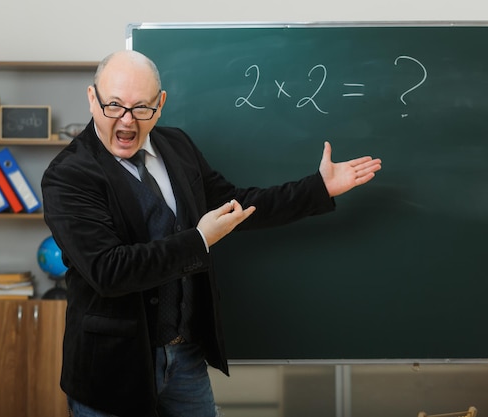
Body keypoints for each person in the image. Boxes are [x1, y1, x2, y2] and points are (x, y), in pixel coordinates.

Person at [41, 50, 381, 417]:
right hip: (113, 369)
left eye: (142, 108)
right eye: (114, 106)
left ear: (161, 104)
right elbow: (109, 271)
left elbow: (236, 206)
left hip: (185, 357)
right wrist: (198, 239)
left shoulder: (178, 147)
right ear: (92, 98)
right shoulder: (68, 176)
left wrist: (318, 189)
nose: (126, 122)